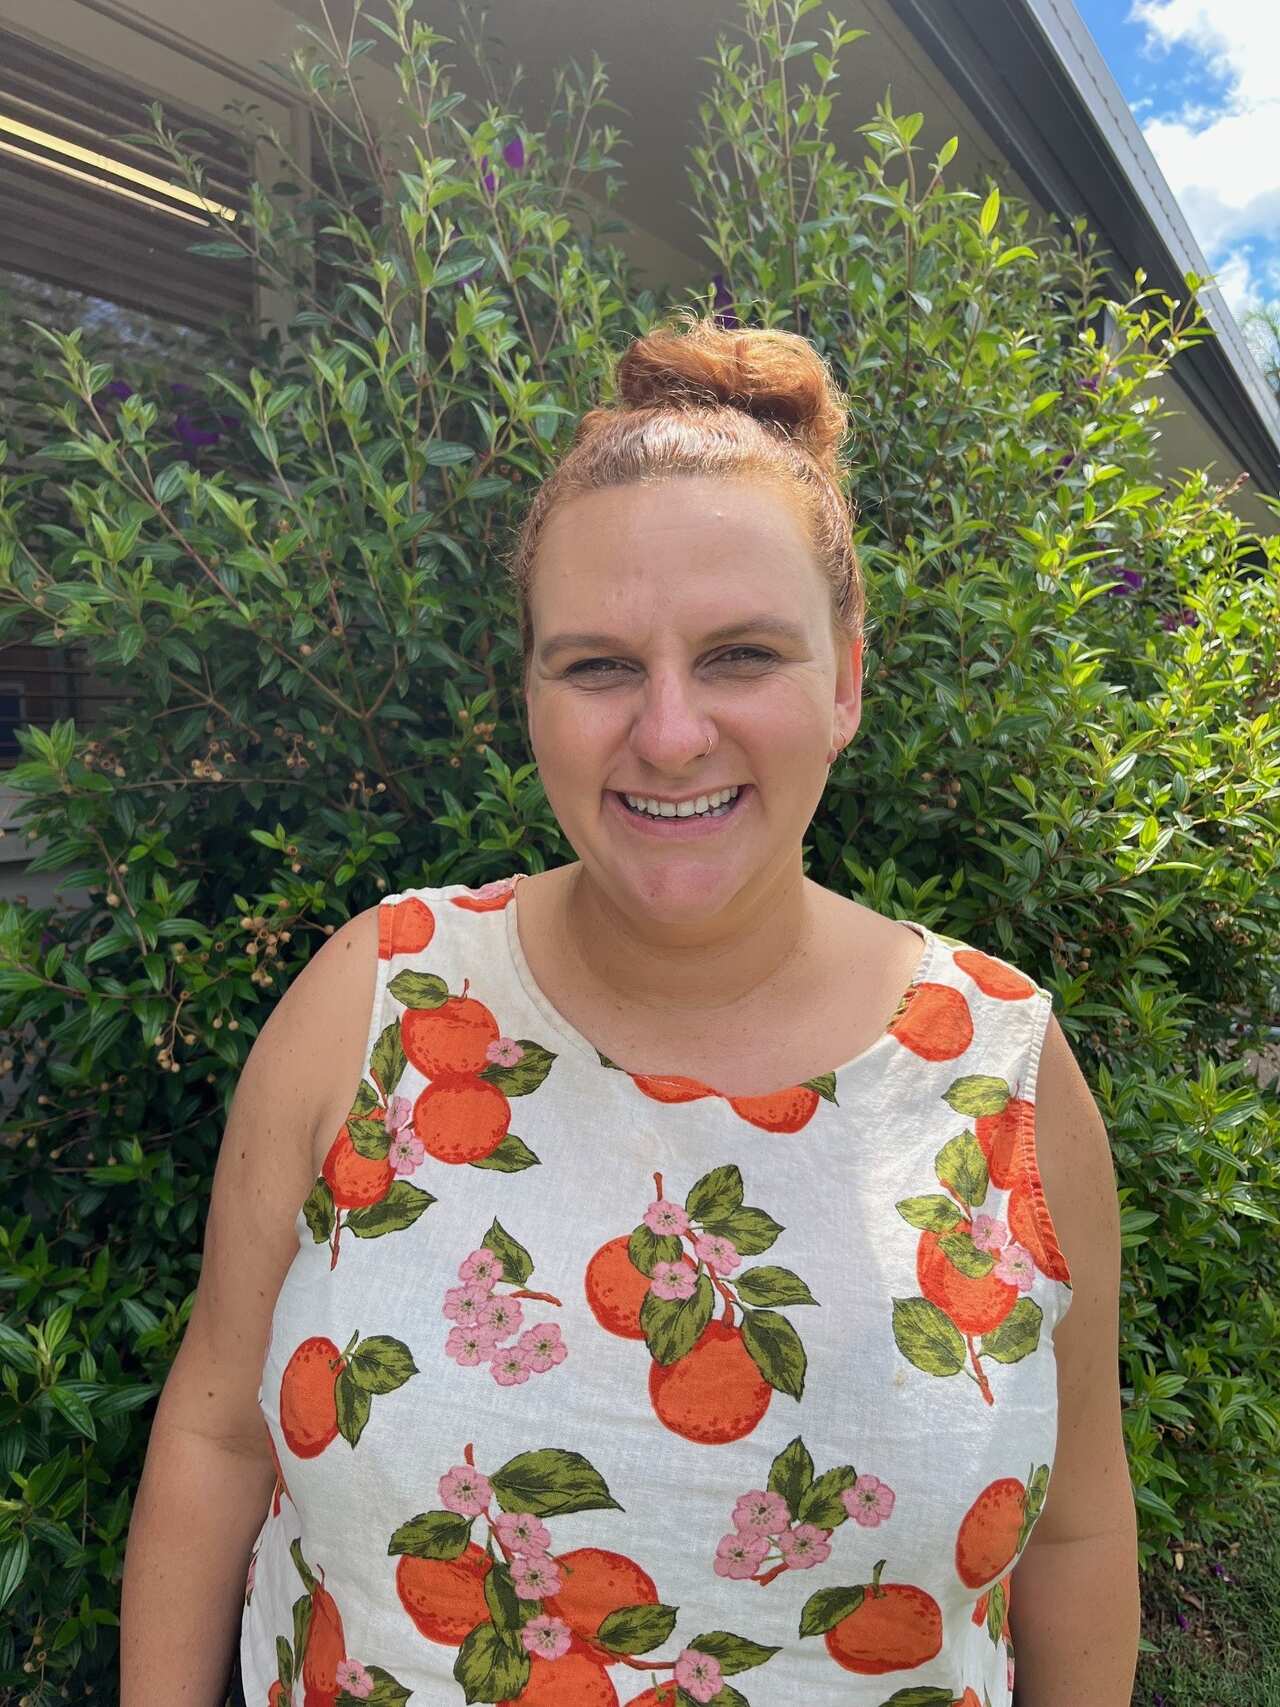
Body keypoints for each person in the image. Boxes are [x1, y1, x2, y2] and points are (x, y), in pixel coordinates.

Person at [120, 314, 1139, 1706]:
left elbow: (1075, 1528)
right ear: (531, 693)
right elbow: (217, 1438)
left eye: (739, 656)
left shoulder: (999, 1072)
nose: (669, 732)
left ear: (845, 678)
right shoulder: (379, 1002)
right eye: (599, 664)